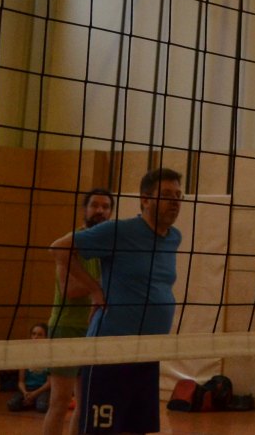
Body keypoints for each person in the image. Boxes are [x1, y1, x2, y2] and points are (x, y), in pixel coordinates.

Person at [52, 168, 185, 435]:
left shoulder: (174, 237)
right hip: (111, 352)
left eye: (178, 196)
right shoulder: (119, 231)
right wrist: (95, 289)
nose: (174, 201)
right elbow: (59, 248)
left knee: (137, 429)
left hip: (148, 354)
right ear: (145, 199)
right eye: (166, 195)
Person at [41, 188, 116, 435]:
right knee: (60, 401)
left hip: (93, 330)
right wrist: (99, 286)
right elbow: (68, 290)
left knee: (85, 405)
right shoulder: (70, 242)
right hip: (66, 327)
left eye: (105, 207)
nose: (100, 210)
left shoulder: (107, 247)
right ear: (85, 210)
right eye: (95, 205)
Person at [8, 323, 52, 413]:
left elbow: (49, 383)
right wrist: (25, 393)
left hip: (42, 390)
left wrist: (35, 394)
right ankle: (30, 401)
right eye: (34, 334)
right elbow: (21, 381)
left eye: (40, 335)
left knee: (42, 407)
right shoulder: (25, 355)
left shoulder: (49, 356)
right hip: (27, 389)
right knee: (12, 404)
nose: (35, 337)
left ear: (46, 337)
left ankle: (32, 402)